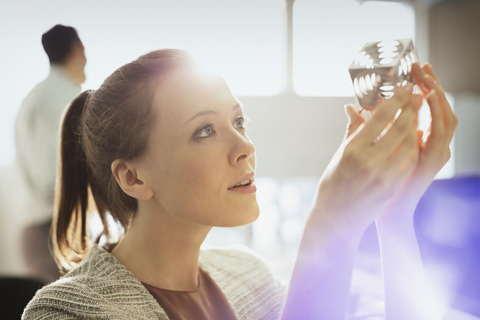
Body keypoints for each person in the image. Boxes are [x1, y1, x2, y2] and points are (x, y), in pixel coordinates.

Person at [22, 49, 456, 320]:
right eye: (204, 131)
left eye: (238, 121)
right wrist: (329, 222)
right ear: (133, 177)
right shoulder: (67, 312)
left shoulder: (249, 276)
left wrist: (394, 215)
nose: (245, 146)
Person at [15, 24, 87, 283]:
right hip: (52, 232)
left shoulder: (37, 96)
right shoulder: (59, 98)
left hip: (43, 230)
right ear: (77, 49)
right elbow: (51, 177)